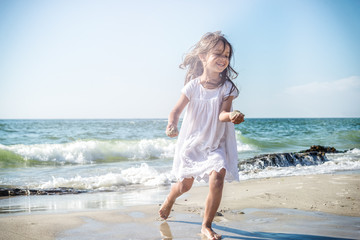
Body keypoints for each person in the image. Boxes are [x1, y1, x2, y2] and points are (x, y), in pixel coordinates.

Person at [159, 31, 245, 240]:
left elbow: (221, 114)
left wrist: (232, 115)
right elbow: (175, 111)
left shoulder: (228, 87)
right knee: (185, 185)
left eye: (227, 55)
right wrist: (172, 125)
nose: (223, 59)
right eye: (218, 53)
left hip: (215, 143)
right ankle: (171, 197)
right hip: (193, 142)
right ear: (202, 57)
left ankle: (206, 226)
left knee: (218, 176)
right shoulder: (193, 86)